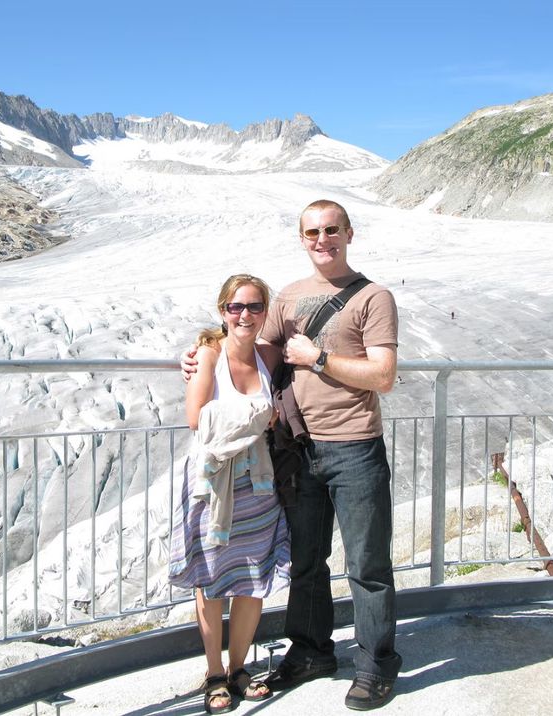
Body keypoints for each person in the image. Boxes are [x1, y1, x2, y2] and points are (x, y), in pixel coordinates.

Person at [182, 200, 401, 711]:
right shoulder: (289, 297)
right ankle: (310, 652)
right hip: (300, 451)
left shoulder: (374, 297)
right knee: (306, 562)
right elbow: (251, 345)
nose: (322, 239)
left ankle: (375, 665)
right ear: (301, 239)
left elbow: (384, 376)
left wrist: (319, 357)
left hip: (355, 446)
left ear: (349, 232)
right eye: (312, 232)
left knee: (368, 565)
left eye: (331, 230)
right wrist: (200, 352)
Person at [169, 274, 290, 714]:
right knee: (212, 577)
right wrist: (260, 414)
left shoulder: (270, 355)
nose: (245, 315)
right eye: (236, 307)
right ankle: (215, 671)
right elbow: (196, 418)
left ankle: (240, 667)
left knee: (253, 576)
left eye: (254, 307)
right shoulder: (208, 354)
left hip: (258, 483)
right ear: (223, 311)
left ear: (265, 312)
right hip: (213, 482)